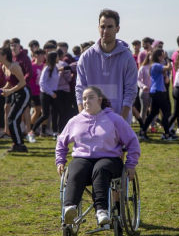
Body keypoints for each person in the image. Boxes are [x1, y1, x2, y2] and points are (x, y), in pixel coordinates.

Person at [56, 86, 140, 225]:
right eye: (83, 99)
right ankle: (70, 208)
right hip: (83, 159)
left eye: (90, 97)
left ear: (100, 100)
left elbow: (132, 141)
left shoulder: (114, 119)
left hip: (110, 160)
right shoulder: (75, 121)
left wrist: (131, 164)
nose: (86, 101)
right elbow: (61, 141)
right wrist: (60, 160)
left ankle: (101, 211)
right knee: (76, 168)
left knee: (100, 169)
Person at [76, 9, 138, 125]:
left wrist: (121, 121)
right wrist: (83, 118)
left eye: (110, 27)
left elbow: (131, 91)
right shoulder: (86, 57)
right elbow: (80, 89)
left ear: (117, 29)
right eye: (102, 26)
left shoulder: (127, 58)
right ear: (98, 28)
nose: (105, 30)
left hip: (119, 121)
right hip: (92, 121)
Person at [27, 51, 67, 142]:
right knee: (45, 115)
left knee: (60, 113)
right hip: (46, 94)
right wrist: (51, 93)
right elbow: (42, 83)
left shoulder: (55, 68)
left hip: (53, 93)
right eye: (57, 57)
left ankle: (57, 133)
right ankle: (31, 132)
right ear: (53, 58)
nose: (59, 58)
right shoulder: (47, 69)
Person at [138, 48, 176, 141]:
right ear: (158, 56)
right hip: (157, 91)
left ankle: (142, 132)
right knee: (166, 111)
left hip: (155, 91)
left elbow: (166, 77)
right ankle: (166, 134)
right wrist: (168, 60)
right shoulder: (155, 65)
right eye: (162, 55)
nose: (163, 57)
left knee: (153, 113)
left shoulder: (155, 66)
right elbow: (170, 68)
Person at [0, 46, 30, 153]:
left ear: (4, 56)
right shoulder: (4, 67)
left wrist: (10, 91)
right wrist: (3, 89)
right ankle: (18, 143)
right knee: (12, 119)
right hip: (16, 94)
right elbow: (9, 82)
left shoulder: (14, 66)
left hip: (23, 94)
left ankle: (19, 144)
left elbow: (23, 82)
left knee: (12, 119)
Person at [29, 49, 45, 137]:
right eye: (42, 55)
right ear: (36, 56)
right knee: (37, 110)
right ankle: (31, 129)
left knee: (43, 112)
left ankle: (42, 130)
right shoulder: (32, 66)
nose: (43, 57)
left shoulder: (44, 66)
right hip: (34, 92)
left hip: (42, 92)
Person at [137, 52, 152, 124]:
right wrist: (143, 86)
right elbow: (138, 79)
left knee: (153, 110)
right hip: (144, 92)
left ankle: (152, 126)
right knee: (144, 109)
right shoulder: (143, 68)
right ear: (148, 57)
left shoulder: (155, 67)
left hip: (153, 92)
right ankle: (142, 126)